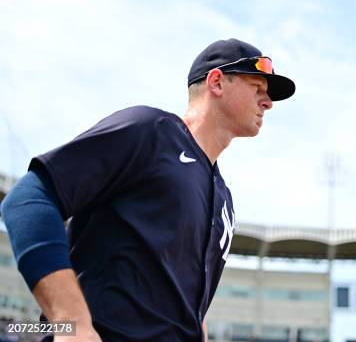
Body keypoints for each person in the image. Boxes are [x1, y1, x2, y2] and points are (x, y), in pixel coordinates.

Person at [0, 38, 296, 341]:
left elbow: (187, 303)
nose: (268, 102)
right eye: (257, 88)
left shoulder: (223, 198)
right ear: (217, 82)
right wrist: (71, 321)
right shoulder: (149, 132)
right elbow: (28, 200)